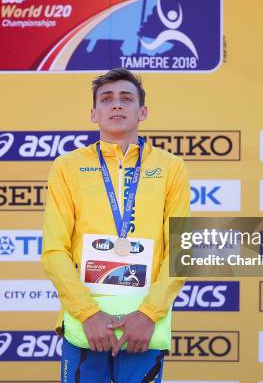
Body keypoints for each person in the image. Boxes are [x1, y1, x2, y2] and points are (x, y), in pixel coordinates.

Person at [42, 68, 190, 382]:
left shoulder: (171, 167)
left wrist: (149, 314)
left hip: (144, 324)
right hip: (86, 323)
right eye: (107, 99)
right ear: (94, 113)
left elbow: (180, 250)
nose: (117, 105)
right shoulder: (67, 167)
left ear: (143, 111)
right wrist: (87, 313)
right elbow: (55, 250)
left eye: (126, 98)